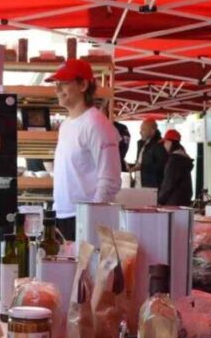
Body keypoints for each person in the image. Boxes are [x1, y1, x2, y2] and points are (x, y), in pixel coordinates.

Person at [47, 58, 122, 241]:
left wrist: (91, 219)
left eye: (64, 83)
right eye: (56, 83)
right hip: (63, 215)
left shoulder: (96, 125)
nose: (57, 89)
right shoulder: (66, 125)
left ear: (83, 85)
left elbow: (110, 180)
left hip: (83, 219)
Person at [157, 128, 194, 206]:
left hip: (173, 204)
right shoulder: (183, 159)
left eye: (165, 142)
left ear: (170, 142)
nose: (164, 145)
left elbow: (168, 184)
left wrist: (160, 200)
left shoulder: (174, 160)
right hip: (184, 202)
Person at [130, 118, 167, 189]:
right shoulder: (142, 143)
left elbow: (161, 167)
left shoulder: (159, 145)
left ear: (152, 131)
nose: (140, 132)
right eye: (140, 129)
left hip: (151, 187)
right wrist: (132, 167)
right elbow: (140, 162)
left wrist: (141, 168)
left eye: (143, 130)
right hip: (139, 185)